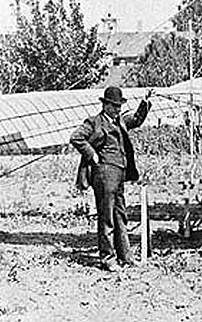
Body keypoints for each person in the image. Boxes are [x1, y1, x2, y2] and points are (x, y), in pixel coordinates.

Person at [70, 86, 152, 271]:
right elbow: (76, 138)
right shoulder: (94, 123)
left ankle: (126, 257)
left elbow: (137, 120)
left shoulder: (120, 122)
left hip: (119, 175)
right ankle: (108, 259)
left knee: (120, 216)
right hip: (104, 175)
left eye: (119, 106)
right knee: (107, 217)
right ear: (105, 105)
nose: (117, 109)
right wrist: (92, 154)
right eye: (114, 106)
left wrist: (145, 103)